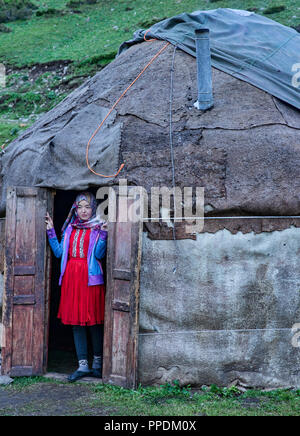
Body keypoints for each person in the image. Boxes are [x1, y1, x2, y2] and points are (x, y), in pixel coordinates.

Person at [45, 192, 108, 382]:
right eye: (80, 207)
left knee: (94, 321)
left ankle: (97, 365)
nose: (83, 211)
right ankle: (83, 366)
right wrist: (50, 230)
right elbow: (58, 253)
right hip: (71, 279)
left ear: (93, 208)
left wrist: (104, 233)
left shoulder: (97, 228)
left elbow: (98, 254)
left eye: (87, 207)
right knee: (75, 323)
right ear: (75, 208)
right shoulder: (70, 229)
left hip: (90, 280)